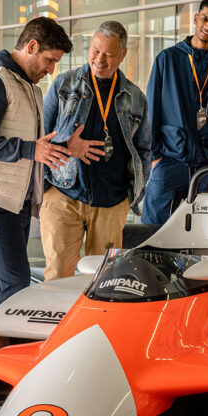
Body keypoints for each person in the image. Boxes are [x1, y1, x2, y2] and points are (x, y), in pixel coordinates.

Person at [0, 17, 76, 319]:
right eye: (49, 61)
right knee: (17, 283)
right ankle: (10, 358)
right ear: (31, 46)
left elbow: (30, 147)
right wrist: (30, 149)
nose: (51, 71)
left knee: (0, 285)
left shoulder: (29, 88)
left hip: (14, 201)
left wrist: (63, 149)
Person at [40, 21, 152, 281]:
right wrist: (47, 186)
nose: (99, 59)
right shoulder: (64, 85)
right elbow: (41, 138)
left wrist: (130, 199)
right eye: (95, 51)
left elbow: (144, 151)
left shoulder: (136, 97)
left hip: (112, 202)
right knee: (58, 276)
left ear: (123, 55)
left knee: (104, 280)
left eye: (109, 54)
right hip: (63, 193)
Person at [141, 0, 208, 226]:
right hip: (169, 161)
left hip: (207, 166)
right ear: (196, 19)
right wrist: (155, 157)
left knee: (199, 231)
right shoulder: (168, 60)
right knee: (154, 230)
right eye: (205, 19)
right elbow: (152, 110)